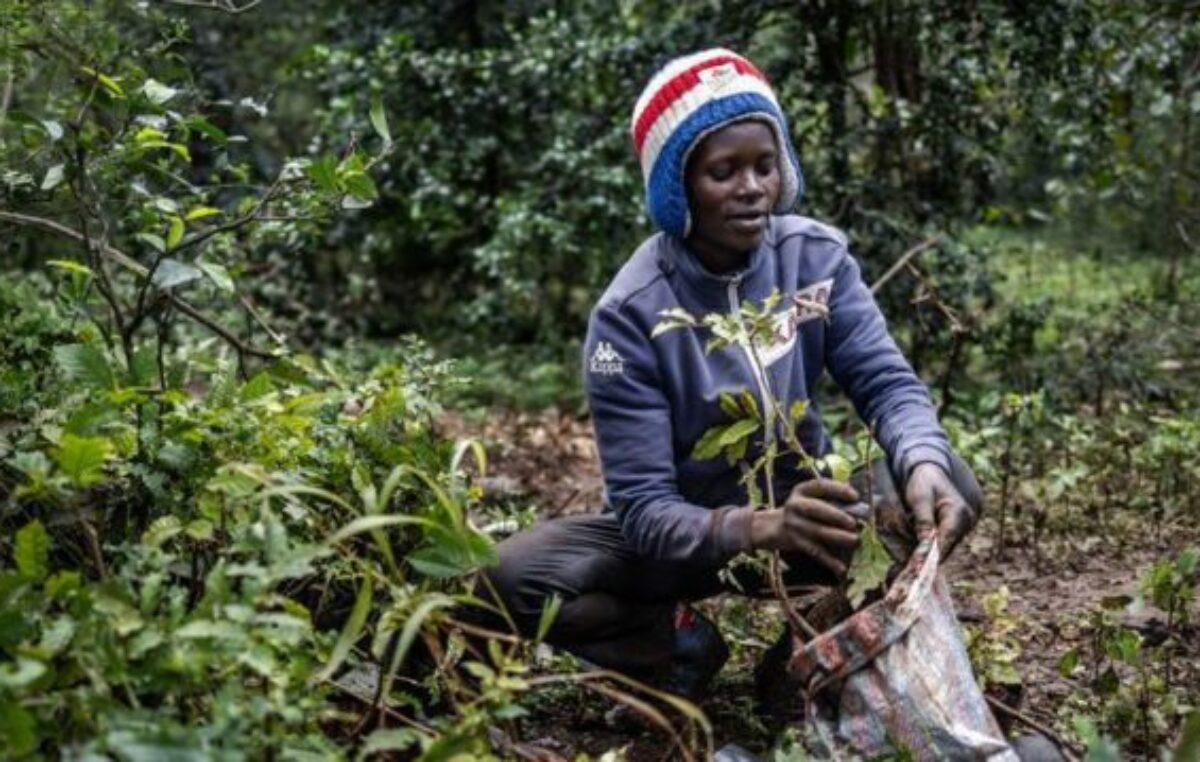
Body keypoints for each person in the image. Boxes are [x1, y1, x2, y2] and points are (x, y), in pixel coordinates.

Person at [481, 48, 981, 706]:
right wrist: (761, 527)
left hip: (806, 519)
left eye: (764, 166)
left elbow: (887, 385)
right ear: (677, 187)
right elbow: (643, 511)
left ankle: (803, 662)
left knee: (946, 482)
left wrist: (919, 460)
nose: (751, 188)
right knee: (512, 576)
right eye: (723, 171)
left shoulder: (815, 258)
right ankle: (679, 648)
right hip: (678, 545)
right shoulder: (631, 312)